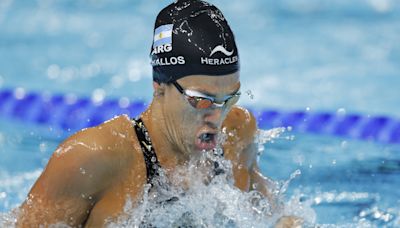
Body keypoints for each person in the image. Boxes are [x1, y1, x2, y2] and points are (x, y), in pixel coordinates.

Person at [17, 0, 302, 227]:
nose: (217, 117)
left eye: (228, 99)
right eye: (201, 100)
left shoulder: (237, 134)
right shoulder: (91, 158)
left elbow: (277, 217)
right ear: (160, 87)